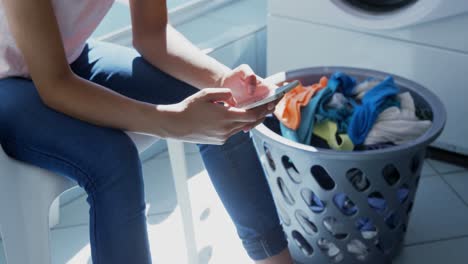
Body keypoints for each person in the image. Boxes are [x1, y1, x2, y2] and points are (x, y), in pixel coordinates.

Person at [0, 0, 295, 263]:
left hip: (68, 57)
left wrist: (223, 79)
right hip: (8, 81)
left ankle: (275, 258)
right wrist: (171, 120)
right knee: (112, 159)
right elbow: (54, 85)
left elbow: (153, 33)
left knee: (219, 100)